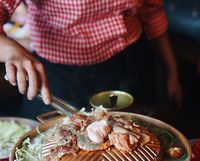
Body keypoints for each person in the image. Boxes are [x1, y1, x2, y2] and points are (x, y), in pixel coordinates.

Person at [0, 0, 182, 114]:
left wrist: (171, 72)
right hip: (61, 75)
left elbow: (152, 12)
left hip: (130, 63)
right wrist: (11, 50)